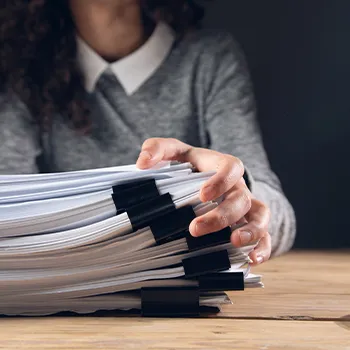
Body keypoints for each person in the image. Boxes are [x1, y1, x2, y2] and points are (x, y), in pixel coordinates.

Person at [0, 0, 296, 263]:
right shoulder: (23, 73)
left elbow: (279, 217)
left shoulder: (208, 58)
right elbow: (8, 215)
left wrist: (237, 189)